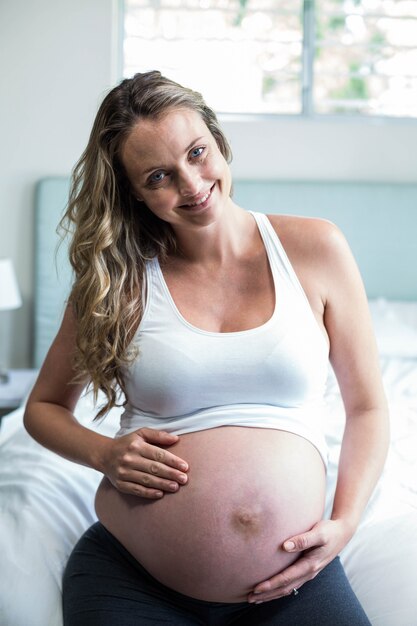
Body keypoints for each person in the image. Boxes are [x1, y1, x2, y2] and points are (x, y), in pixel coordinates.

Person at [24, 71, 389, 626]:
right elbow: (42, 408)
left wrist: (345, 521)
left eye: (198, 153)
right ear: (135, 192)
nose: (192, 184)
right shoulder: (116, 277)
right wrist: (103, 453)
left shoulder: (316, 248)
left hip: (293, 580)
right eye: (159, 176)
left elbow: (367, 406)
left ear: (219, 141)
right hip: (133, 579)